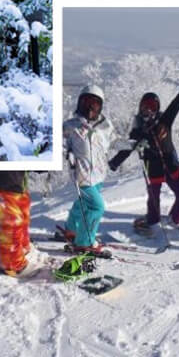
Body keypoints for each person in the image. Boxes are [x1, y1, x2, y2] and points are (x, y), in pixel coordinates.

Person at [110, 77, 179, 231]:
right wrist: (115, 162)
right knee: (153, 199)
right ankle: (153, 222)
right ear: (140, 108)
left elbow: (175, 105)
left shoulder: (165, 120)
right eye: (145, 107)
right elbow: (128, 147)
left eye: (152, 107)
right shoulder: (138, 129)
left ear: (157, 108)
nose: (149, 110)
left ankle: (175, 220)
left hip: (170, 165)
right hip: (153, 168)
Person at [62, 85, 115, 257]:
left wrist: (134, 144)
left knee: (83, 203)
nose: (90, 107)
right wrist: (67, 155)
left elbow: (115, 142)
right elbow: (61, 146)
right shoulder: (70, 126)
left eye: (95, 103)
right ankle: (84, 243)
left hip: (99, 175)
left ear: (100, 106)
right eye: (86, 102)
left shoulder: (105, 127)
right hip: (82, 176)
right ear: (79, 103)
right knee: (96, 207)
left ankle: (71, 229)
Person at [0, 171, 44, 278]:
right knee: (13, 222)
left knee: (23, 215)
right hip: (1, 182)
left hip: (16, 182)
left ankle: (22, 248)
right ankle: (13, 264)